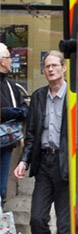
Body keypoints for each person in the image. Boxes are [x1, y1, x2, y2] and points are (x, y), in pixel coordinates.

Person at [13, 51, 69, 234]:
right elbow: (33, 134)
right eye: (47, 66)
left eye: (55, 65)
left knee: (65, 228)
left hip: (67, 165)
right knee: (37, 219)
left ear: (64, 68)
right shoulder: (38, 97)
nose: (50, 70)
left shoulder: (75, 96)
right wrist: (24, 162)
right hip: (44, 163)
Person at [0, 43, 28, 207]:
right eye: (9, 58)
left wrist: (20, 112)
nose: (12, 61)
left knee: (1, 190)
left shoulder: (12, 85)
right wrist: (8, 113)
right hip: (7, 139)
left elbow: (24, 107)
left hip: (7, 143)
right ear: (2, 61)